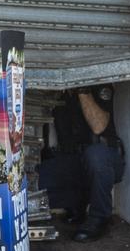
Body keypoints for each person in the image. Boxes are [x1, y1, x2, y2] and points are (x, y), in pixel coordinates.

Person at [51, 85, 125, 242]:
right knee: (40, 175)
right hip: (78, 162)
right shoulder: (61, 94)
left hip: (106, 161)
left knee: (95, 155)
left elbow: (98, 127)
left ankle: (100, 217)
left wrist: (82, 92)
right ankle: (77, 204)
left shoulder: (99, 88)